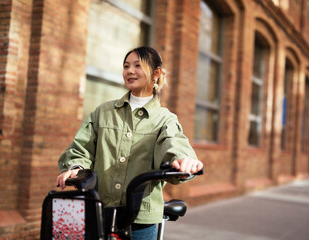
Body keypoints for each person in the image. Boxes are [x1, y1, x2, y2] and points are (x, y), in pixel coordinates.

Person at [56, 46, 203, 240]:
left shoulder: (165, 119)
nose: (130, 71)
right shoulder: (103, 112)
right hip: (100, 211)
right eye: (126, 66)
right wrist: (77, 167)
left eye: (137, 65)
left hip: (141, 218)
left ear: (156, 73)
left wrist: (183, 160)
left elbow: (173, 142)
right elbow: (81, 148)